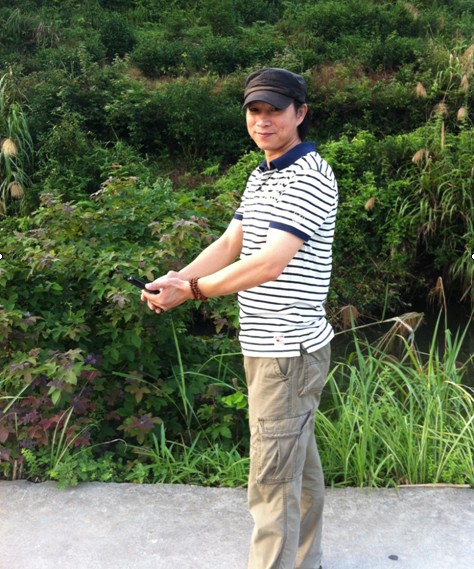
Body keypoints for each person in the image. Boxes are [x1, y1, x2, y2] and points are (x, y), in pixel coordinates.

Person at [141, 67, 338, 569]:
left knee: (271, 483)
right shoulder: (263, 174)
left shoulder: (308, 176)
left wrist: (193, 291)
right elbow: (232, 242)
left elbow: (271, 263)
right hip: (273, 348)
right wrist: (177, 278)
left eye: (275, 110)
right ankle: (305, 560)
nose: (263, 120)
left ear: (300, 113)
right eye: (255, 110)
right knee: (296, 470)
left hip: (286, 352)